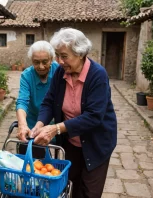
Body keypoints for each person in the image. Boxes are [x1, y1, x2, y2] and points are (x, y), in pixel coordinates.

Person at [31, 28, 117, 198]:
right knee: (69, 186)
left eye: (64, 56)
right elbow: (49, 101)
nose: (59, 61)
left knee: (89, 192)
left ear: (80, 54)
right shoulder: (60, 73)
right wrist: (40, 124)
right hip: (70, 143)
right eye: (57, 55)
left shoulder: (98, 75)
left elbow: (94, 116)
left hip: (96, 143)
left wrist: (55, 129)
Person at [15, 40, 59, 158]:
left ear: (51, 59)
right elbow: (22, 101)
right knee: (35, 163)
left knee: (59, 161)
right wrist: (22, 124)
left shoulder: (59, 71)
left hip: (57, 123)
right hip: (34, 124)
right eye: (36, 62)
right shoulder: (27, 75)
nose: (40, 66)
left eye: (45, 62)